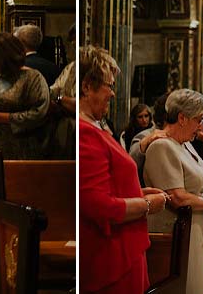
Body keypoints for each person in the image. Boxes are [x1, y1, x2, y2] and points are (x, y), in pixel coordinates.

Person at [78, 46, 168, 293]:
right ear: (87, 86)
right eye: (108, 84)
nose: (113, 93)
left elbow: (108, 183)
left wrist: (138, 191)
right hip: (110, 254)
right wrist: (149, 205)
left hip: (124, 246)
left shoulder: (97, 127)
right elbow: (100, 206)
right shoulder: (84, 134)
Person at [143, 89, 203, 293]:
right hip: (174, 232)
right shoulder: (161, 147)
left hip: (194, 226)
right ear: (182, 118)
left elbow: (200, 182)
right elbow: (176, 197)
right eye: (198, 120)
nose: (201, 126)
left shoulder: (186, 144)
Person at [0, 32, 51, 159]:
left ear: (8, 57)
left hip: (21, 148)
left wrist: (4, 118)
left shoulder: (32, 77)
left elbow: (39, 113)